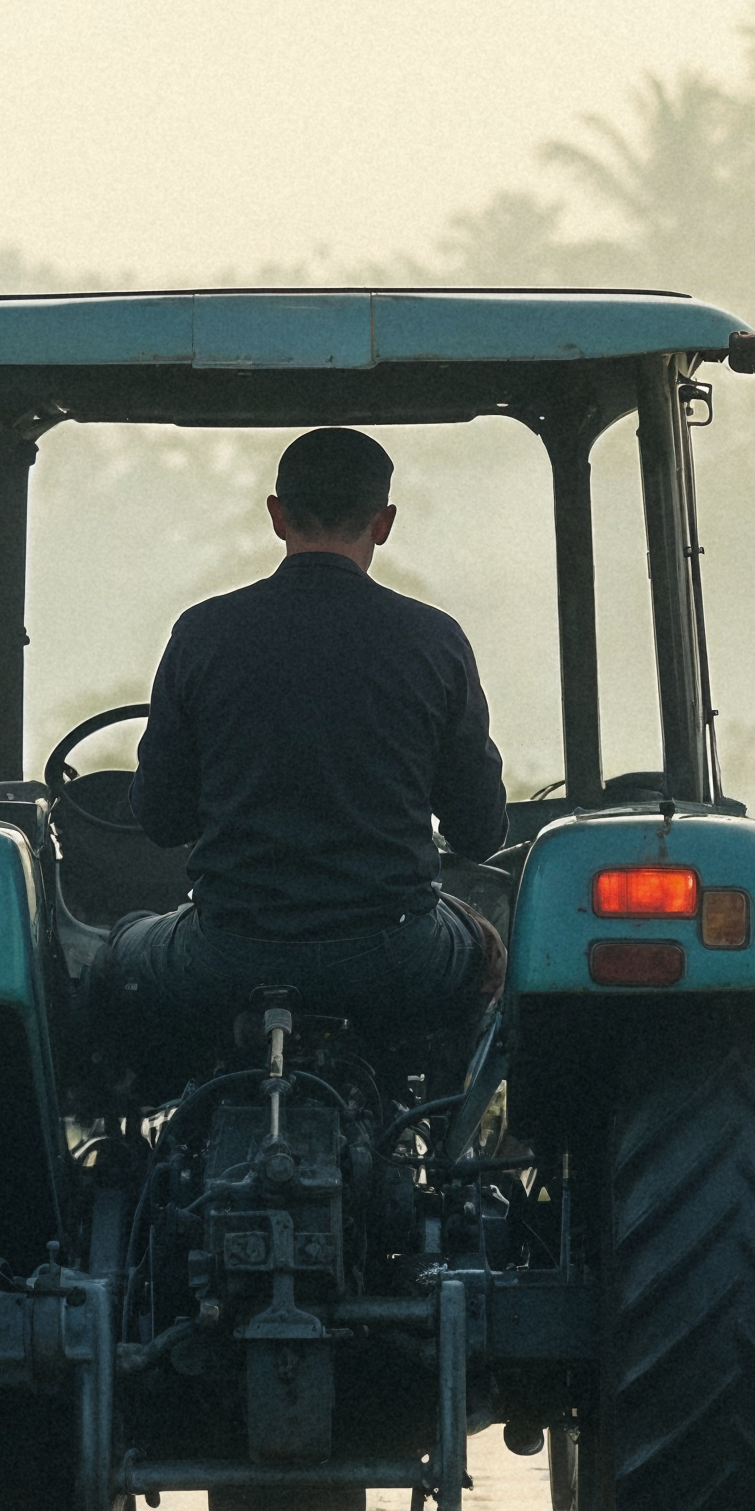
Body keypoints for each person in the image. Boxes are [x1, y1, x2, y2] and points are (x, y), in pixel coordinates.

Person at [109, 426, 508, 1059]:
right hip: (397, 954)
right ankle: (474, 1131)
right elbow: (481, 832)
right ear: (383, 522)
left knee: (126, 941)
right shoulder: (435, 641)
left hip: (228, 953)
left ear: (276, 515)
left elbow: (160, 819)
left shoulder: (201, 633)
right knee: (485, 938)